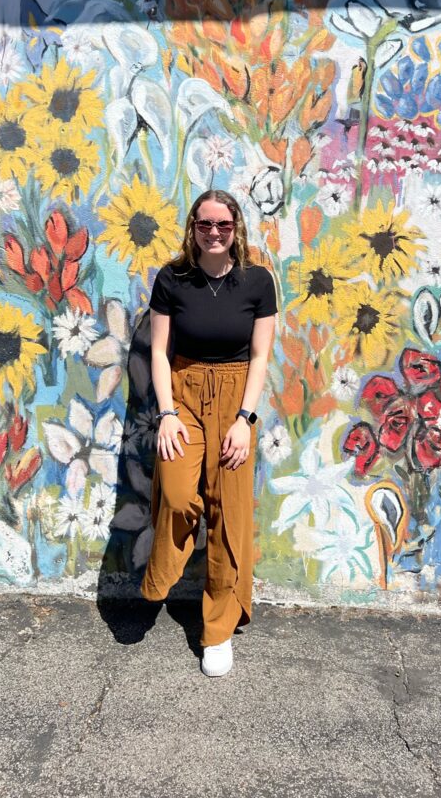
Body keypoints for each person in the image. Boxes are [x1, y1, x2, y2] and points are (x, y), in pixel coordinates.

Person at [140, 189, 277, 676]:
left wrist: (246, 419)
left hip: (236, 396)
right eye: (205, 224)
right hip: (184, 390)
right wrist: (167, 413)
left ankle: (217, 629)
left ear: (236, 227)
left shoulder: (257, 282)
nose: (214, 233)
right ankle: (165, 574)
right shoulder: (172, 279)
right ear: (192, 227)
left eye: (223, 224)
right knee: (178, 494)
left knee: (229, 510)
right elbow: (159, 351)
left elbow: (260, 357)